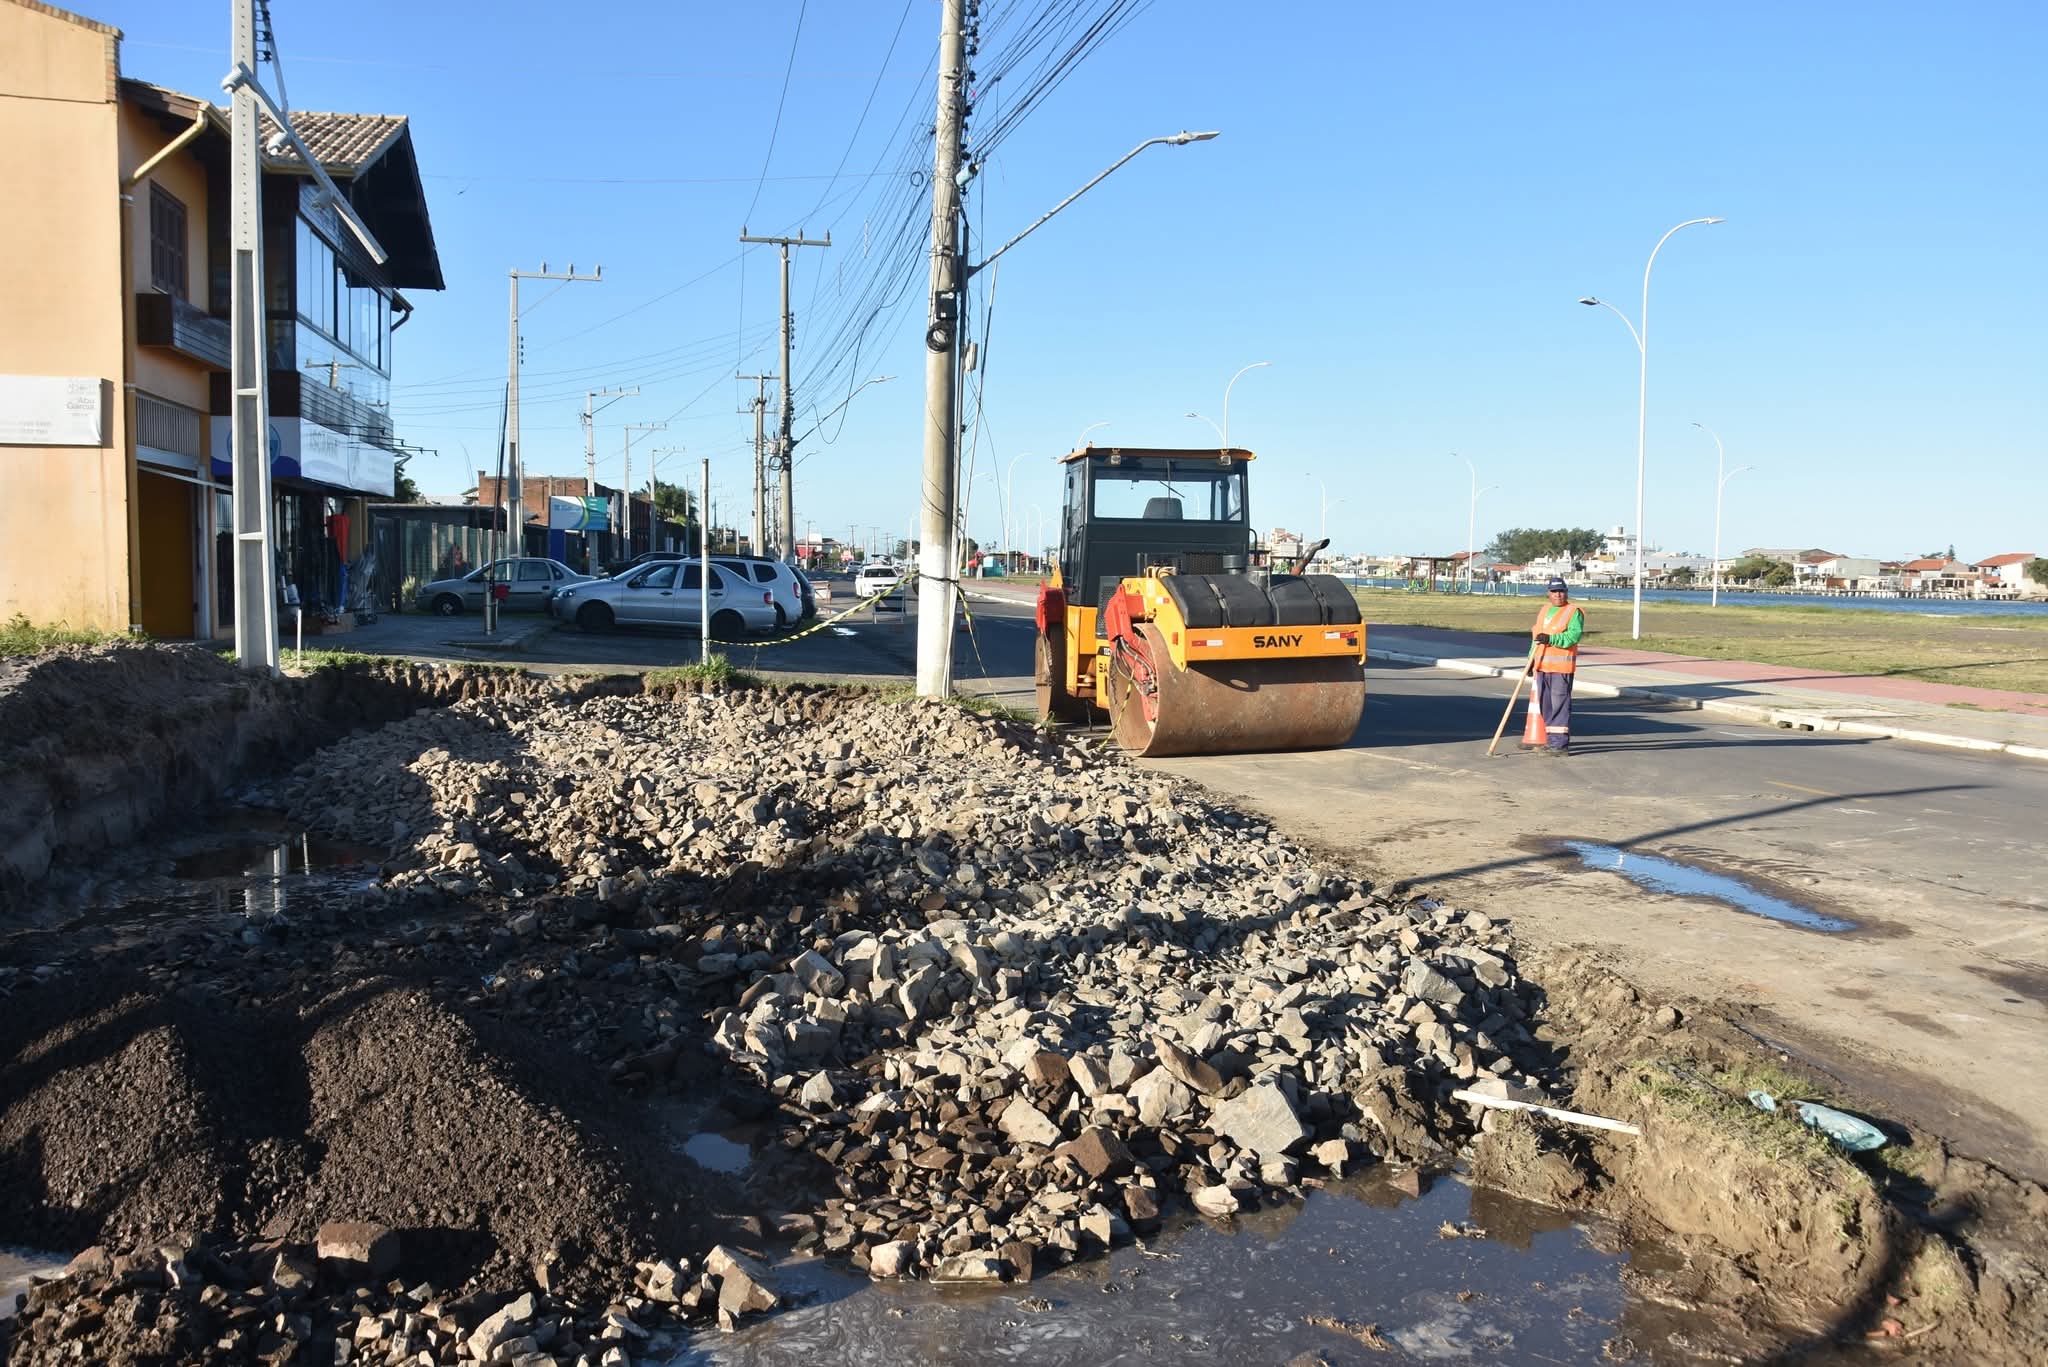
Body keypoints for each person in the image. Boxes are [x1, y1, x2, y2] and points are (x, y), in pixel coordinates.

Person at [1524, 577, 1585, 755]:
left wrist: (1551, 639)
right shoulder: (1544, 611)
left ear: (1566, 592)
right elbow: (1536, 638)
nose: (1558, 595)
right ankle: (1552, 740)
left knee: (1559, 704)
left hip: (1561, 668)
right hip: (1542, 666)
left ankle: (1559, 745)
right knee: (1546, 705)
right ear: (1548, 593)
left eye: (1561, 591)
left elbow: (1573, 637)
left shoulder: (1574, 611)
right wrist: (1531, 661)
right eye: (1554, 591)